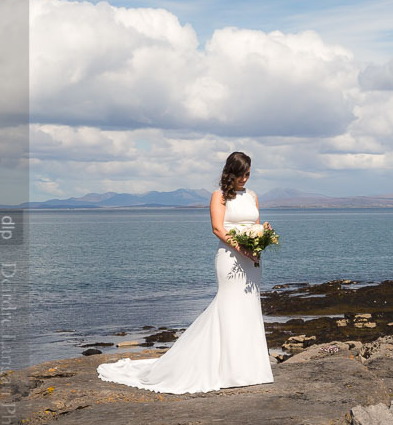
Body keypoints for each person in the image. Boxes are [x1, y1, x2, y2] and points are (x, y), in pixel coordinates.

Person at [96, 151, 275, 393]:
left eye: (248, 174)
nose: (244, 178)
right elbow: (217, 229)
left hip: (252, 261)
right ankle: (227, 370)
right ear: (230, 173)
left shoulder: (252, 196)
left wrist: (262, 234)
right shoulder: (219, 196)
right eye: (240, 174)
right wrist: (243, 249)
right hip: (230, 258)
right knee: (229, 305)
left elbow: (254, 224)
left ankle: (251, 369)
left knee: (249, 306)